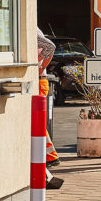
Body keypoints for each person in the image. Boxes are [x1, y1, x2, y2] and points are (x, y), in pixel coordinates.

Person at [36, 29, 61, 168]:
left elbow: (50, 47)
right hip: (39, 80)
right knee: (37, 121)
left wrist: (41, 65)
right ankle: (48, 156)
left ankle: (50, 157)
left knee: (36, 121)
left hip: (39, 80)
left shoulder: (32, 29)